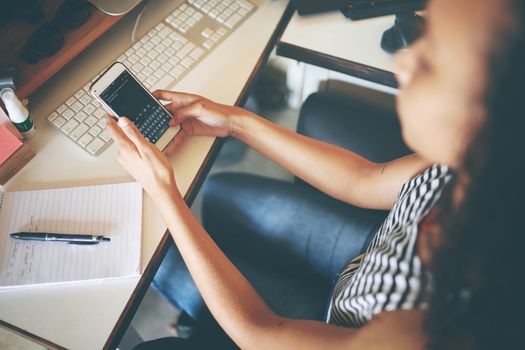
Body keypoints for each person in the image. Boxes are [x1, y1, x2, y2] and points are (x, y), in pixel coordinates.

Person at [106, 0, 524, 348]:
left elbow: (263, 331)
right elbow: (369, 179)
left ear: (497, 114)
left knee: (157, 264)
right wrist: (234, 121)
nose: (403, 61)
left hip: (331, 327)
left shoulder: (425, 335)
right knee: (217, 193)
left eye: (433, 60)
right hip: (364, 264)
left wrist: (166, 195)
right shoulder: (481, 157)